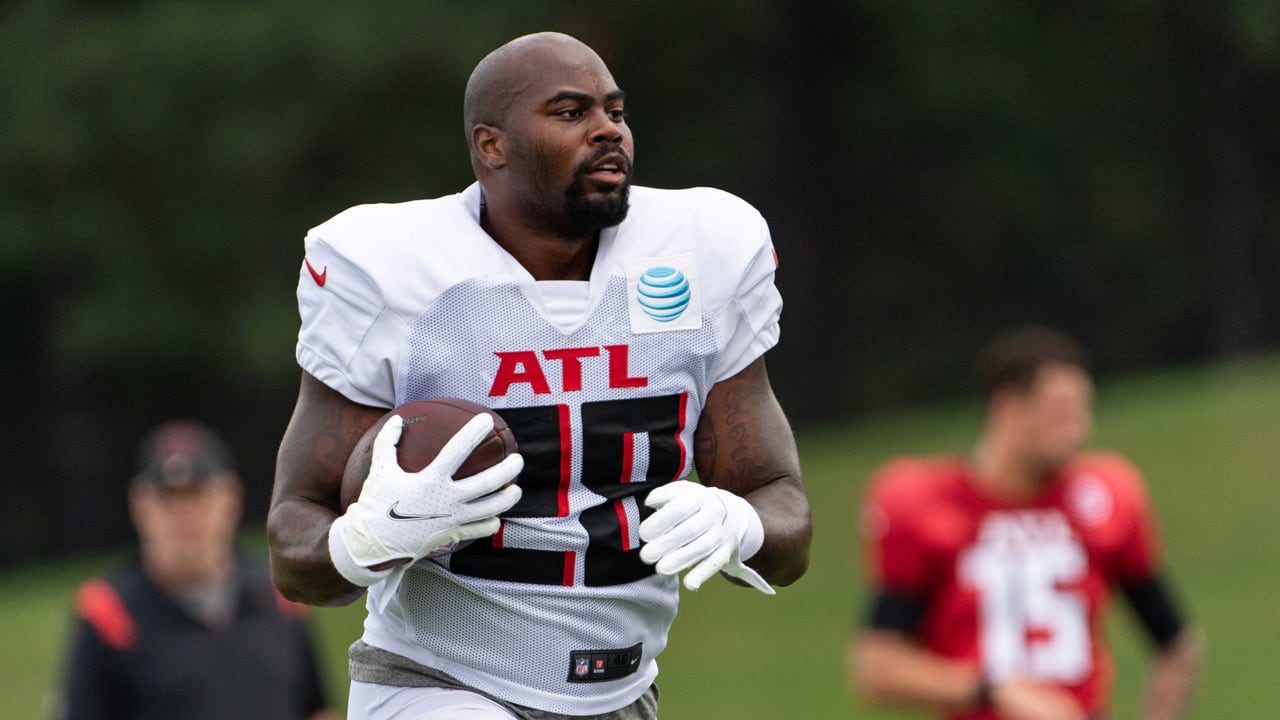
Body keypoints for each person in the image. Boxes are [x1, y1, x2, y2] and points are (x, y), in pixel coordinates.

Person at [267, 30, 812, 720]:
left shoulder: (702, 252)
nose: (607, 130)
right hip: (442, 683)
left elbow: (785, 515)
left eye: (615, 111)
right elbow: (293, 546)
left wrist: (742, 524)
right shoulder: (393, 271)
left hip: (623, 692)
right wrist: (365, 539)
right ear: (490, 145)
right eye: (570, 112)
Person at [847, 326, 1203, 720]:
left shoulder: (1103, 497)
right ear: (1008, 407)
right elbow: (876, 667)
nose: (1079, 428)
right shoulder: (927, 504)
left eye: (1083, 411)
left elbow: (1177, 645)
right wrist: (992, 688)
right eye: (1061, 412)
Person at [55, 420, 336, 720]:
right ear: (140, 506)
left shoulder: (282, 598)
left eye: (199, 495)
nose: (186, 514)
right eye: (169, 498)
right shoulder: (110, 619)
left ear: (232, 499)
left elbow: (317, 710)